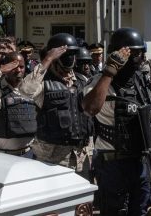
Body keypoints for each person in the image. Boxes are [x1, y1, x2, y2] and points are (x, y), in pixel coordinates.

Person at [82, 27, 151, 215]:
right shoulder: (99, 82)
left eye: (141, 53)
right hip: (113, 164)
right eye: (133, 54)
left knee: (141, 210)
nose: (139, 59)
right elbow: (90, 109)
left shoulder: (140, 81)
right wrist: (108, 73)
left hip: (141, 161)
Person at [18, 33, 94, 179]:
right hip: (52, 159)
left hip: (82, 157)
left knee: (82, 200)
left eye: (73, 54)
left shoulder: (81, 81)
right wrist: (47, 59)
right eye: (65, 54)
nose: (70, 58)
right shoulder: (43, 83)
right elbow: (25, 91)